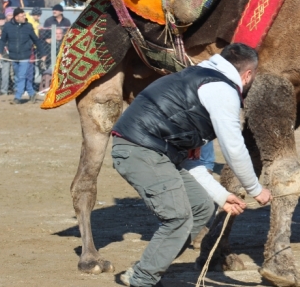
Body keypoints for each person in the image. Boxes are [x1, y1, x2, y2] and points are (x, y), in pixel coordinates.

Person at [112, 43, 271, 287]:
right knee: (178, 217)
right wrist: (255, 189)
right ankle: (143, 279)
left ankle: (145, 269)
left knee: (201, 207)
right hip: (139, 149)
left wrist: (221, 195)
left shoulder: (200, 77)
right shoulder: (222, 90)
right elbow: (234, 148)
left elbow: (188, 160)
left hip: (157, 152)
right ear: (248, 75)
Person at [0, 8, 46, 104]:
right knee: (18, 76)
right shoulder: (7, 27)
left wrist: (43, 53)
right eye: (22, 16)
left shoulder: (28, 26)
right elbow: (2, 41)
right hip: (13, 56)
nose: (24, 17)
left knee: (21, 76)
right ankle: (31, 93)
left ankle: (17, 97)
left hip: (25, 55)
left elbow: (36, 40)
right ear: (16, 17)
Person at [0, 13, 10, 95]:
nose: (1, 21)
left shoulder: (8, 28)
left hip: (6, 54)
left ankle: (4, 91)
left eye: (2, 19)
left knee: (5, 74)